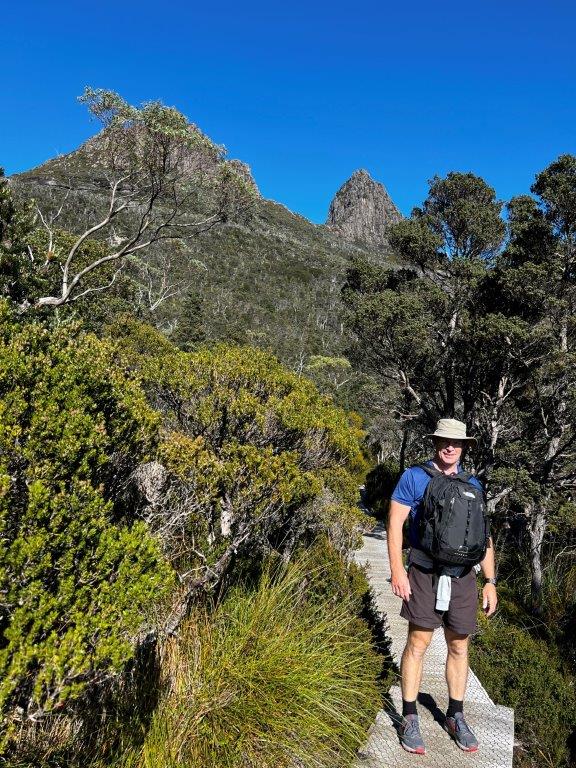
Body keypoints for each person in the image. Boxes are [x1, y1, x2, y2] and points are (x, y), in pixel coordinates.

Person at [387, 418, 497, 755]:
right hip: (424, 571)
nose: (450, 447)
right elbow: (395, 524)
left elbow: (484, 537)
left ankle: (455, 715)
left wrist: (490, 581)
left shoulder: (473, 484)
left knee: (460, 645)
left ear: (464, 447)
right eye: (445, 441)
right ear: (435, 442)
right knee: (418, 643)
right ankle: (409, 716)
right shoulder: (414, 477)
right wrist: (397, 570)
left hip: (463, 575)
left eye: (457, 442)